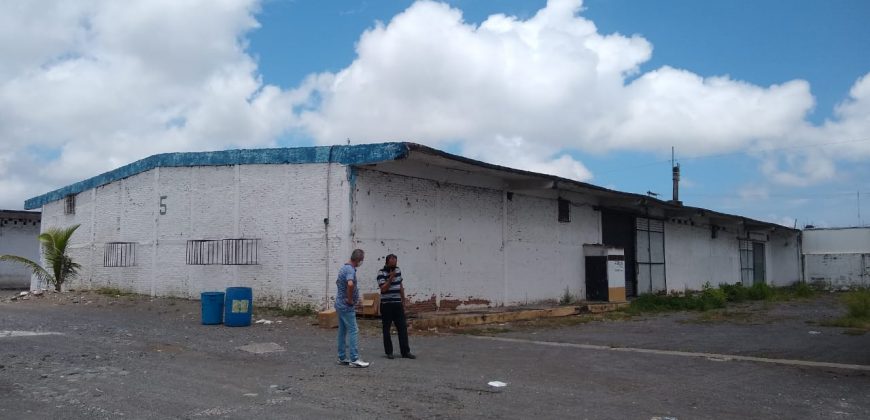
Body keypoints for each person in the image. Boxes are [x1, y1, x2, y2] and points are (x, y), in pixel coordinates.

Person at [335, 249, 370, 368]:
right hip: (346, 306)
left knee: (342, 331)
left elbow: (338, 282)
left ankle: (341, 357)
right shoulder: (350, 270)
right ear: (358, 259)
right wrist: (350, 299)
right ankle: (354, 359)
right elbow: (350, 284)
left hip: (339, 304)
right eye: (362, 260)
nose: (362, 262)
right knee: (353, 330)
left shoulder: (343, 268)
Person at [376, 254, 415, 359]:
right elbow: (383, 289)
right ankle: (389, 352)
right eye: (392, 262)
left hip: (397, 304)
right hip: (386, 305)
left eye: (395, 262)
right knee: (386, 329)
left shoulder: (398, 270)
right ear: (387, 262)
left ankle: (405, 352)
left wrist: (403, 300)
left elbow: (401, 286)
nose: (394, 265)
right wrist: (390, 279)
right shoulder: (381, 273)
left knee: (402, 328)